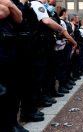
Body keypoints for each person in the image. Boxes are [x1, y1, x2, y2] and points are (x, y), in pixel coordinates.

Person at [0, 0, 28, 131]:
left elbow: (19, 19)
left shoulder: (12, 2)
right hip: (2, 48)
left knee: (13, 89)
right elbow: (3, 12)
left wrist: (10, 5)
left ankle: (12, 123)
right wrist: (10, 8)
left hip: (11, 48)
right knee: (3, 91)